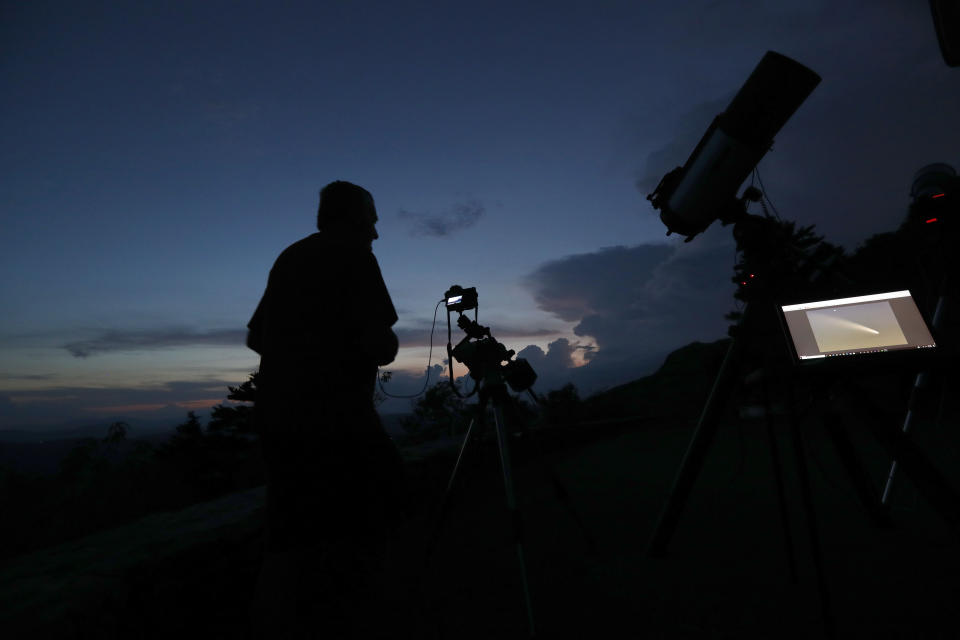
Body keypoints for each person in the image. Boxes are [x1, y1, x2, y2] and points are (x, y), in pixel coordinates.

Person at [247, 181, 405, 639]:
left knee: (288, 534)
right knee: (386, 509)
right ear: (353, 219)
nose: (376, 232)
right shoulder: (354, 254)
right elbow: (380, 344)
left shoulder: (290, 257)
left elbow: (257, 338)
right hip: (338, 421)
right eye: (372, 220)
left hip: (278, 419)